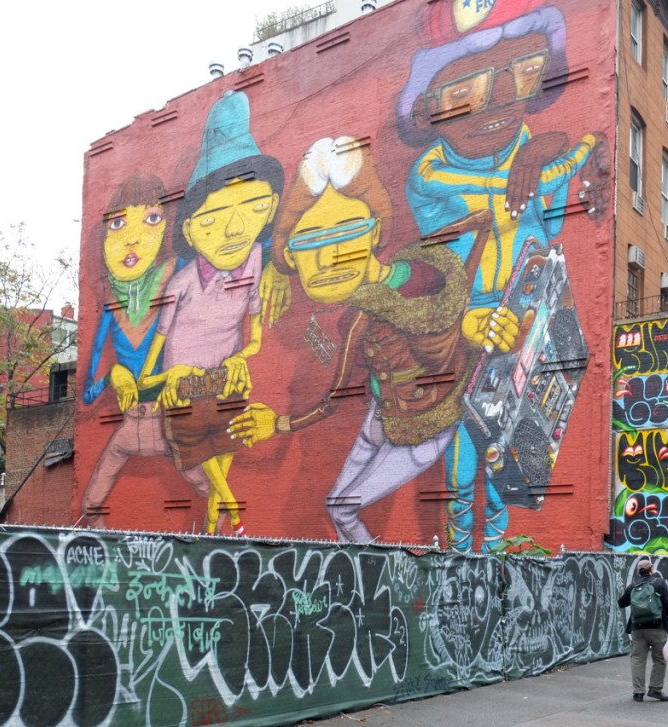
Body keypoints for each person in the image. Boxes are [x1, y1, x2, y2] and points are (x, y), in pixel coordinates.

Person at [397, 0, 611, 552]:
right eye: (466, 90)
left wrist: (553, 146)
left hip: (529, 317)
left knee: (512, 447)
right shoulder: (430, 176)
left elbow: (566, 197)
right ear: (428, 107)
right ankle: (456, 561)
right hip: (469, 329)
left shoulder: (526, 151)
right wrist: (469, 319)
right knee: (464, 453)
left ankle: (491, 557)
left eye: (520, 74)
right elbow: (438, 266)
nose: (497, 102)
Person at [228, 137, 491, 542]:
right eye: (307, 243)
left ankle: (381, 578)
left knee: (345, 508)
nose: (329, 257)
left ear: (375, 232)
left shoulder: (382, 306)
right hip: (381, 416)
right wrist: (274, 266)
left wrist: (279, 424)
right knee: (337, 506)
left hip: (423, 427)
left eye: (347, 231)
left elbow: (335, 397)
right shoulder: (384, 292)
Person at [137, 90, 286, 536]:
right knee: (204, 459)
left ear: (271, 209)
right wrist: (167, 376)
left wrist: (243, 357)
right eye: (213, 217)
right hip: (184, 394)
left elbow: (254, 335)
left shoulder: (257, 262)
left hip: (225, 384)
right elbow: (149, 370)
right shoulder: (180, 285)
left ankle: (216, 532)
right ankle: (234, 515)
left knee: (220, 454)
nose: (236, 229)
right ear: (188, 228)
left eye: (255, 207)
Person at [80, 173, 210, 526]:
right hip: (130, 425)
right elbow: (89, 395)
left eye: (152, 218)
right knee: (91, 504)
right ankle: (103, 566)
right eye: (118, 223)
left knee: (214, 492)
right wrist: (114, 374)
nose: (132, 238)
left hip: (168, 423)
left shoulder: (180, 276)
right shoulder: (109, 308)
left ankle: (215, 559)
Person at [616, 558, 668, 704]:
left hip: (637, 629)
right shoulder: (659, 583)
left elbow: (621, 603)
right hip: (657, 628)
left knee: (637, 659)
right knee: (659, 658)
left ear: (639, 571)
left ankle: (638, 692)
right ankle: (655, 689)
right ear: (651, 570)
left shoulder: (633, 586)